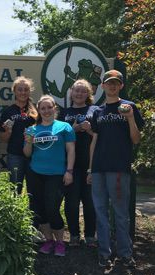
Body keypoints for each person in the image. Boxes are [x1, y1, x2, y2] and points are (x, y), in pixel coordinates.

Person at [88, 70, 145, 268]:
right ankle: (104, 253)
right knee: (100, 212)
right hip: (98, 169)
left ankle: (125, 254)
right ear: (102, 86)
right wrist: (90, 169)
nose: (112, 86)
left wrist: (130, 118)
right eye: (108, 83)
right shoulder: (98, 111)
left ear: (121, 86)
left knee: (120, 213)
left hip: (119, 168)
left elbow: (136, 139)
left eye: (116, 83)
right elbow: (94, 141)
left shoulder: (129, 107)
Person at [24, 95, 75, 257]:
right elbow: (27, 153)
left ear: (55, 108)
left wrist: (69, 171)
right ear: (39, 110)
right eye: (43, 108)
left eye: (49, 107)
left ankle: (60, 242)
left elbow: (71, 151)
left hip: (56, 174)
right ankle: (48, 240)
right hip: (35, 173)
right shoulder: (32, 129)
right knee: (39, 210)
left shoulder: (64, 127)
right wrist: (29, 141)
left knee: (52, 208)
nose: (46, 111)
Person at [60, 79, 98, 247]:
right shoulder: (63, 113)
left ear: (88, 94)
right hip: (70, 165)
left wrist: (89, 130)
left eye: (83, 91)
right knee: (71, 202)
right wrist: (73, 129)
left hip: (90, 164)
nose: (79, 94)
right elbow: (57, 137)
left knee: (90, 202)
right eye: (77, 91)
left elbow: (101, 136)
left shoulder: (96, 110)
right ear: (71, 92)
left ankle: (90, 236)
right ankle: (74, 236)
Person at [0, 76, 37, 194]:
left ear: (30, 91)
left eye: (26, 89)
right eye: (20, 89)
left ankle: (34, 213)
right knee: (15, 190)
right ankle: (15, 213)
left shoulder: (36, 110)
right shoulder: (8, 111)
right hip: (15, 154)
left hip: (35, 155)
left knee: (34, 190)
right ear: (14, 91)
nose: (23, 92)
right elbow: (3, 139)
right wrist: (8, 131)